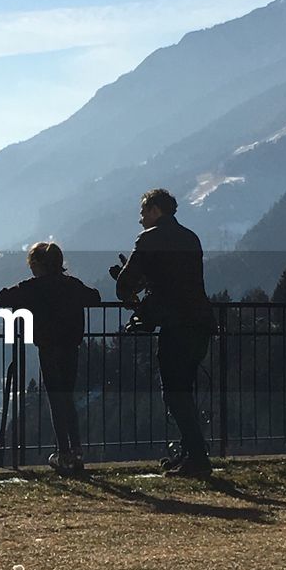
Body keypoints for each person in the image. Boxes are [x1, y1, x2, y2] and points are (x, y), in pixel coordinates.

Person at [111, 189, 216, 478]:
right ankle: (190, 454)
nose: (141, 218)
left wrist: (129, 285)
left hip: (176, 325)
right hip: (200, 322)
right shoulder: (190, 237)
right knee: (186, 390)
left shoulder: (149, 239)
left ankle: (197, 459)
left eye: (144, 212)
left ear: (156, 210)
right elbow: (178, 280)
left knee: (173, 392)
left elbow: (126, 284)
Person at [0, 242, 101, 475]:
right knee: (67, 398)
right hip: (71, 346)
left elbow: (3, 296)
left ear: (37, 264)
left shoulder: (33, 287)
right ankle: (75, 450)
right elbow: (94, 297)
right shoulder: (71, 285)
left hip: (48, 346)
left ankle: (64, 452)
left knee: (56, 399)